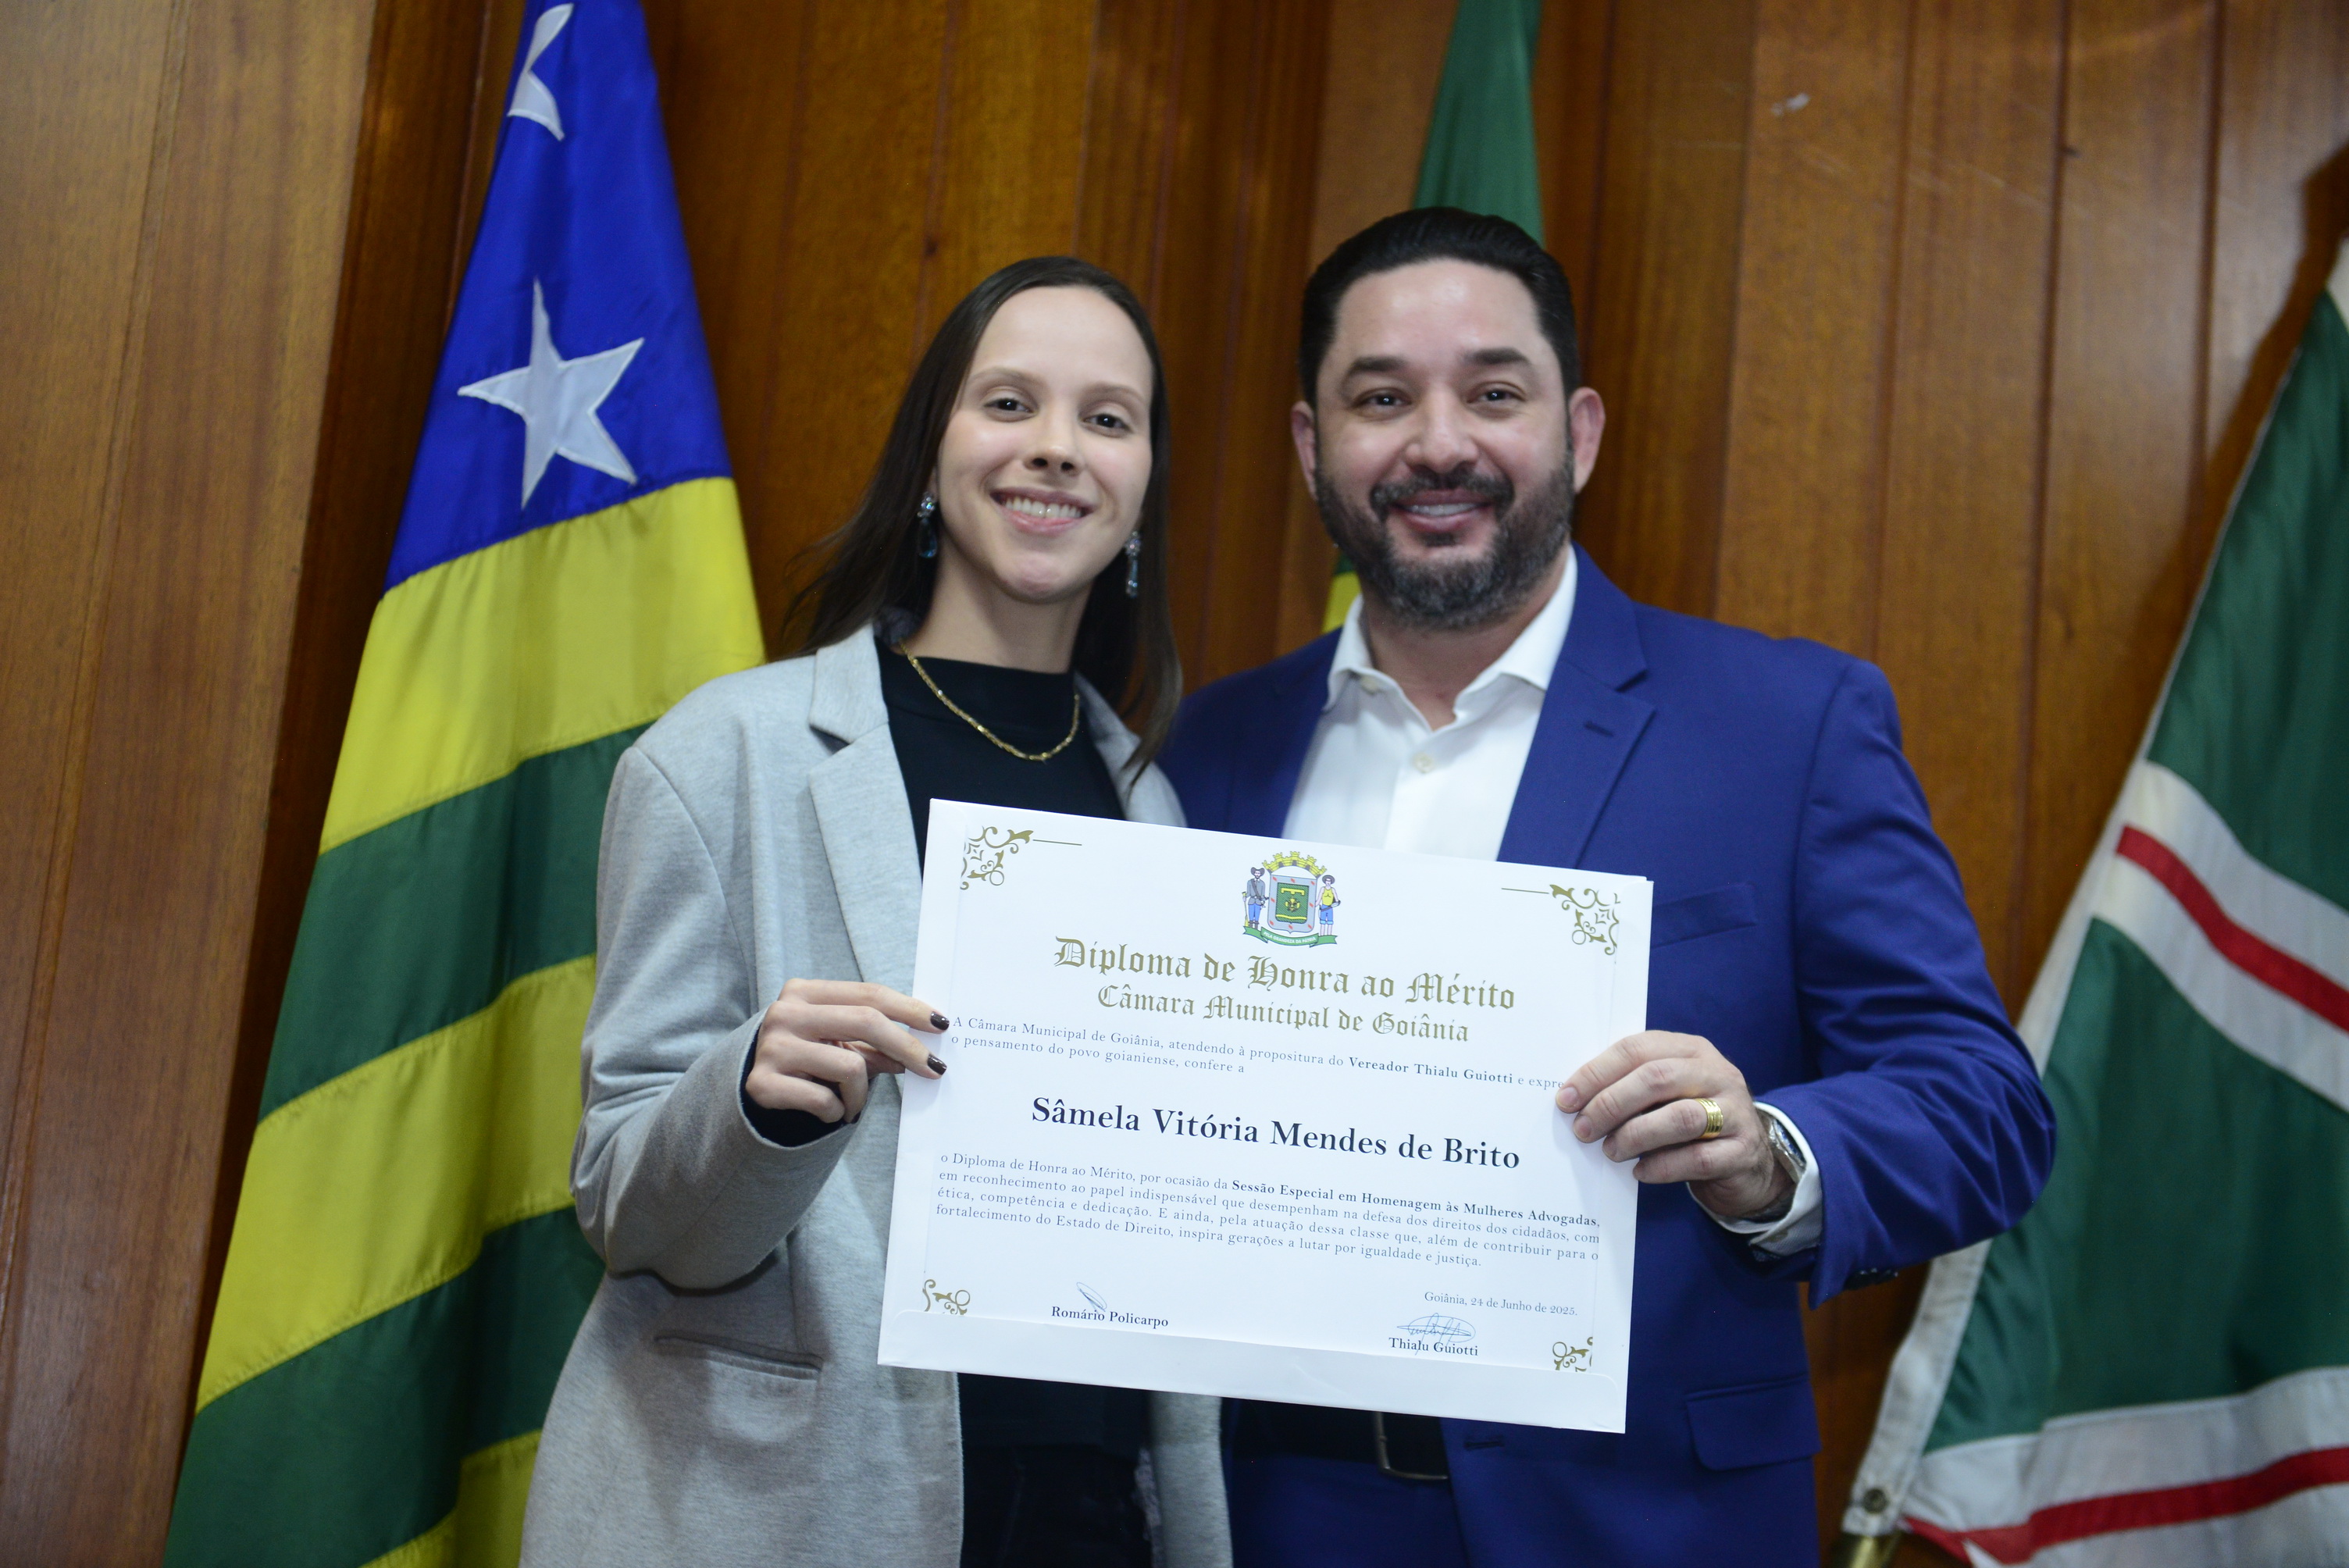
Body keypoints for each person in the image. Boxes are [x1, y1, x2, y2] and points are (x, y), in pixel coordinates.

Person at [1159, 208, 2056, 1567]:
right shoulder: (1203, 751)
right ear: (1310, 445)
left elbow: (1985, 1107)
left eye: (1493, 394)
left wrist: (1768, 1155)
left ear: (1577, 433)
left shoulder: (1788, 726)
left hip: (1643, 1525)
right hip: (1267, 1518)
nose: (1439, 444)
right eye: (1382, 399)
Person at [520, 257, 1230, 1568]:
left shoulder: (1159, 813)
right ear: (930, 458)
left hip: (1092, 1511)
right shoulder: (726, 754)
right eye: (1009, 403)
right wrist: (750, 1100)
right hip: (793, 1508)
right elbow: (624, 1204)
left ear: (1143, 492)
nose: (1057, 448)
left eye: (1108, 418)